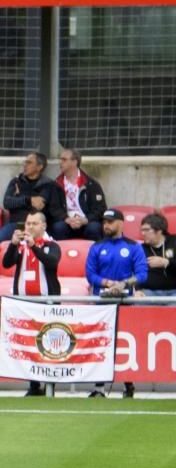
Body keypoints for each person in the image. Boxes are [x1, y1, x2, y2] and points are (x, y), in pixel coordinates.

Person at [87, 210, 147, 398]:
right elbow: (90, 274)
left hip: (125, 301)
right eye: (104, 221)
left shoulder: (133, 247)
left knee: (124, 342)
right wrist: (106, 283)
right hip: (102, 301)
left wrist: (124, 284)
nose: (106, 225)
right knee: (102, 343)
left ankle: (128, 385)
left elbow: (142, 273)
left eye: (110, 222)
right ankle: (98, 388)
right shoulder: (96, 247)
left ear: (121, 224)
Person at [0, 210, 60, 397]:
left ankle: (50, 385)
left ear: (43, 226)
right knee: (28, 345)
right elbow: (6, 263)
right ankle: (34, 386)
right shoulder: (21, 247)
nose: (30, 227)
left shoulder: (52, 245)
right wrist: (12, 245)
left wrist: (34, 246)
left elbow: (51, 263)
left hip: (47, 304)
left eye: (34, 224)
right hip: (24, 304)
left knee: (49, 345)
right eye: (28, 224)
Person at [0, 151, 52, 244]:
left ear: (39, 167)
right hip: (17, 225)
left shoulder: (48, 185)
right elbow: (7, 202)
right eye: (25, 162)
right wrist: (27, 200)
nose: (25, 165)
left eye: (29, 163)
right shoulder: (16, 181)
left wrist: (18, 199)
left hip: (37, 226)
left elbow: (41, 206)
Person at [48, 148, 106, 242]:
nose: (60, 162)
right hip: (66, 221)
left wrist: (86, 219)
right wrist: (66, 219)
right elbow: (53, 208)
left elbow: (100, 208)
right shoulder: (56, 184)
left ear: (75, 162)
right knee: (58, 228)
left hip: (86, 221)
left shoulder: (90, 184)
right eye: (60, 159)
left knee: (94, 228)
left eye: (64, 160)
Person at [139, 213, 176, 297]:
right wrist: (137, 290)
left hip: (174, 291)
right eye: (142, 230)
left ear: (159, 230)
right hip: (149, 292)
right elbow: (135, 272)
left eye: (146, 230)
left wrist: (167, 263)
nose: (143, 233)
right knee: (138, 303)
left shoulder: (174, 242)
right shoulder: (141, 249)